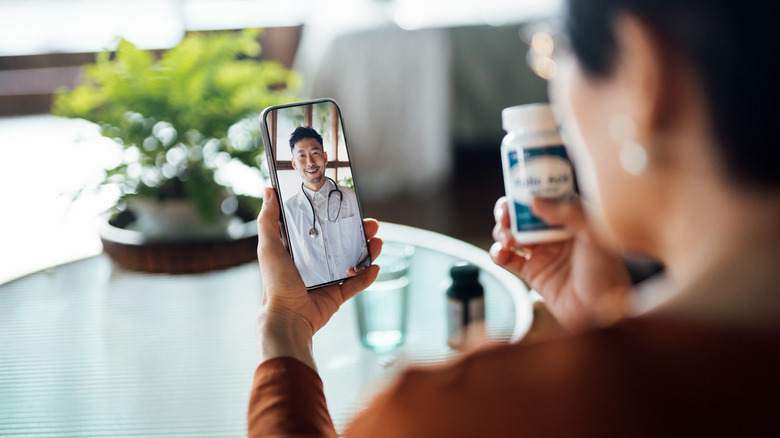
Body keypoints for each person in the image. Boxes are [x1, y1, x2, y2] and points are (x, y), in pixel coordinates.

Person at [249, 0, 780, 436]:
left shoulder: (452, 416)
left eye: (554, 51)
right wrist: (605, 323)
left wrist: (286, 331)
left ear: (645, 76)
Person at [282, 126, 369, 288]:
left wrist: (364, 265)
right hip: (312, 296)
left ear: (325, 156)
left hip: (354, 286)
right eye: (302, 156)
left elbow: (368, 244)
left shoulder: (353, 198)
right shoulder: (286, 211)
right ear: (294, 163)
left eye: (315, 153)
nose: (310, 162)